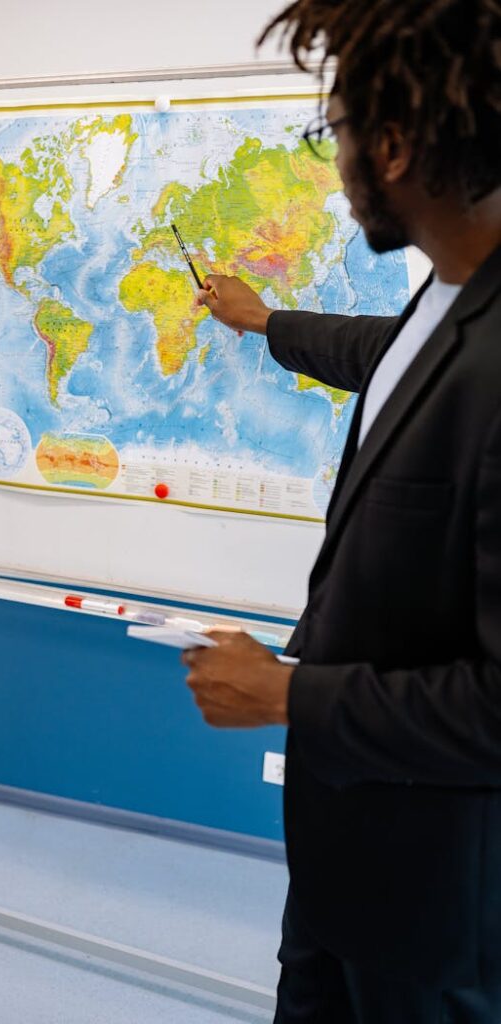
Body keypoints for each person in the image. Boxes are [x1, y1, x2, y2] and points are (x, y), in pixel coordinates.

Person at [181, 0, 501, 1020]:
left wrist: (288, 696)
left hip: (436, 909)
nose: (339, 155)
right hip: (343, 868)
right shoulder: (451, 295)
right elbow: (384, 358)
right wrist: (264, 320)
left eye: (339, 131)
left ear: (394, 146)